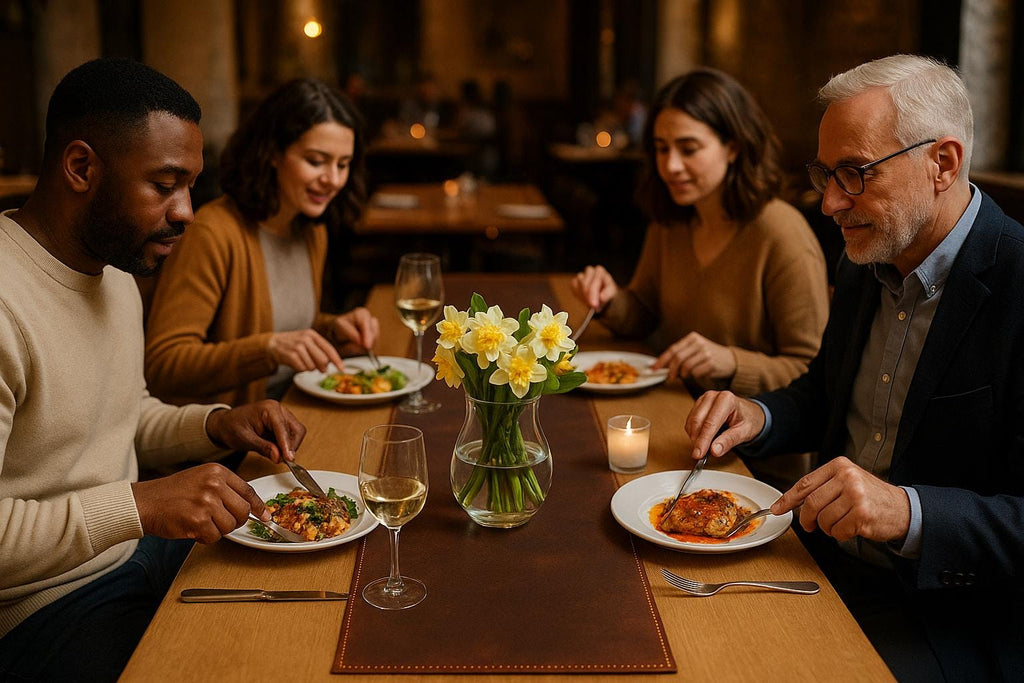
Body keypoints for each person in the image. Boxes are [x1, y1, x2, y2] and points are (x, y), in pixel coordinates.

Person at [686, 54, 1024, 680]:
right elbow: (825, 395)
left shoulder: (1016, 280)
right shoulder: (866, 257)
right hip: (819, 563)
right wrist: (757, 414)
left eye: (855, 173)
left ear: (942, 164)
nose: (831, 204)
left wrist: (909, 511)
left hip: (949, 615)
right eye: (825, 173)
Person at [0, 58, 307, 682]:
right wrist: (139, 506)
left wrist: (219, 425)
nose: (187, 212)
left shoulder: (114, 274)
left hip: (133, 557)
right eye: (164, 184)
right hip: (40, 609)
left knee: (302, 604)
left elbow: (121, 414)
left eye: (191, 186)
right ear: (81, 167)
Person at [572, 69, 830, 398]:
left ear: (733, 148)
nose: (671, 166)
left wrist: (733, 363)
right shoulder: (670, 222)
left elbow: (813, 373)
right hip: (678, 406)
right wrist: (611, 301)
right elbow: (643, 314)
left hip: (751, 439)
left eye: (688, 149)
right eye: (661, 149)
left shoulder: (781, 232)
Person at [144, 78, 380, 407]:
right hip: (229, 439)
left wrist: (332, 330)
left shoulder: (311, 229)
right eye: (316, 161)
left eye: (343, 164)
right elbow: (163, 366)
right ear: (273, 154)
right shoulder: (213, 232)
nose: (333, 180)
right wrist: (266, 350)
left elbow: (284, 326)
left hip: (296, 409)